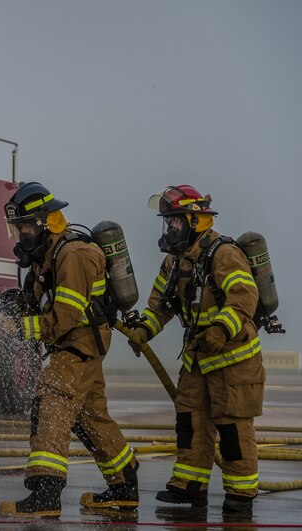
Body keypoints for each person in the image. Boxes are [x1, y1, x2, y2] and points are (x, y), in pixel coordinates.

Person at [0, 181, 139, 518]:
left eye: (27, 227)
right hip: (77, 347)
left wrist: (17, 328)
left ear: (49, 222)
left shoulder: (74, 255)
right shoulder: (46, 257)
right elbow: (39, 302)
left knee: (51, 404)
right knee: (91, 417)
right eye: (19, 229)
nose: (22, 236)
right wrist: (7, 306)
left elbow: (62, 319)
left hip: (78, 346)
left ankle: (46, 494)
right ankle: (125, 484)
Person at [128, 185, 263, 514]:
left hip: (233, 359)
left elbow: (244, 296)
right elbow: (160, 305)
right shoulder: (174, 262)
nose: (170, 229)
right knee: (190, 422)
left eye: (175, 222)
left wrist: (221, 328)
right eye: (168, 223)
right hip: (198, 357)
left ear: (195, 221)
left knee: (231, 427)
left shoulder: (225, 254)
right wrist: (144, 330)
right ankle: (189, 485)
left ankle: (241, 493)